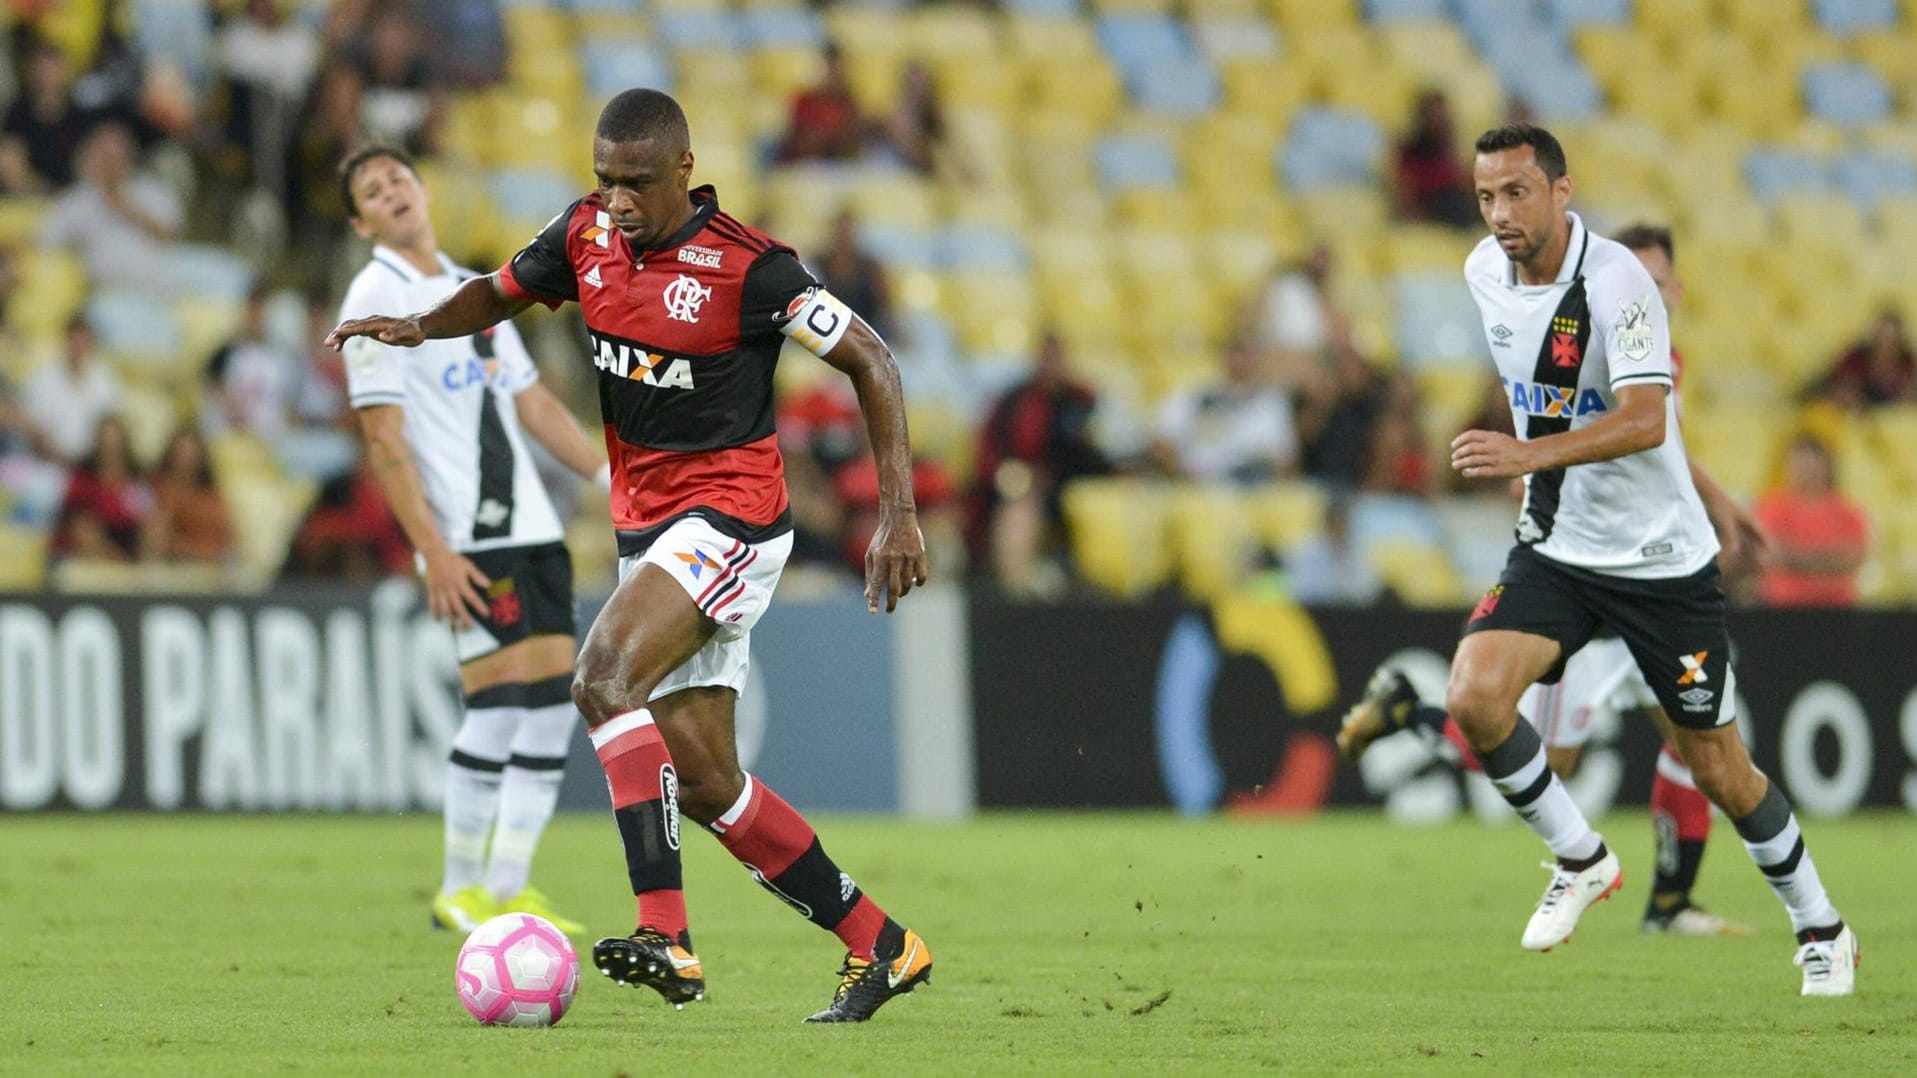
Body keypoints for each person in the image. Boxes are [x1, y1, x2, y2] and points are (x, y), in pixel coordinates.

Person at [326, 90, 933, 1024]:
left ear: (683, 170)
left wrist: (897, 512)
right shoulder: (582, 237)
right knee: (704, 782)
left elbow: (873, 361)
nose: (615, 201)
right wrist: (417, 327)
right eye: (604, 180)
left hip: (730, 516)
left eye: (636, 184)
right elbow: (497, 292)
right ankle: (882, 945)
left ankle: (668, 937)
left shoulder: (752, 268)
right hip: (647, 527)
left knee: (601, 677)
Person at [1411, 124, 1851, 994]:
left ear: (1561, 192)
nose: (1499, 214)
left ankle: (1820, 925)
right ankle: (1580, 858)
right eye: (1485, 197)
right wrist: (1531, 464)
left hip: (1658, 564)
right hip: (1560, 548)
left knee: (1720, 768)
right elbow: (1533, 384)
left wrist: (1526, 455)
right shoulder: (1478, 273)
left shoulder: (1617, 284)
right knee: (1473, 692)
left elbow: (1648, 418)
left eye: (1517, 193)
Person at [1341, 221, 1770, 937]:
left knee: (1698, 741)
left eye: (1662, 282)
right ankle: (1412, 715)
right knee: (1555, 761)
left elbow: (1664, 452)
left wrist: (1720, 506)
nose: (1655, 292)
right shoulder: (1579, 343)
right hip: (1593, 590)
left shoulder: (1661, 362)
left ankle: (1669, 904)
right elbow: (1549, 445)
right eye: (1647, 280)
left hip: (1655, 579)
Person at [334, 143, 610, 938]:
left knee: (552, 708)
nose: (390, 191)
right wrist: (433, 548)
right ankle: (458, 887)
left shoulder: (471, 292)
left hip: (534, 529)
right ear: (360, 222)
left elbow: (534, 406)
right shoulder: (372, 300)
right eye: (371, 188)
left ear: (423, 189)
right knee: (494, 708)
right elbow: (384, 442)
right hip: (469, 538)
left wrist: (609, 486)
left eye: (398, 178)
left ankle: (509, 883)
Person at [1753, 435, 1868, 608]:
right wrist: (1827, 560)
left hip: (1837, 606)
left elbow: (1853, 558)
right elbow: (1771, 553)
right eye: (1799, 462)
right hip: (1782, 605)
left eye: (1811, 462)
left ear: (1826, 466)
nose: (1805, 469)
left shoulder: (1849, 511)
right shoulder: (1771, 506)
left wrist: (1795, 558)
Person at [21, 315, 124, 465]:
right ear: (65, 342)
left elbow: (110, 429)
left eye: (84, 342)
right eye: (74, 341)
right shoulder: (42, 380)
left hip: (90, 465)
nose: (78, 348)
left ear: (92, 345)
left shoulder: (106, 383)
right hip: (49, 461)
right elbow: (33, 429)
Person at [50, 415, 148, 563]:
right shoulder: (82, 475)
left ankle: (148, 573)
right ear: (97, 443)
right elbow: (74, 518)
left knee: (155, 524)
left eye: (115, 440)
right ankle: (122, 567)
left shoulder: (136, 478)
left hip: (128, 534)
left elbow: (144, 512)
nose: (110, 446)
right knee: (84, 529)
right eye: (105, 440)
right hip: (93, 537)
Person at [142, 426, 234, 565]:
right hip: (178, 566)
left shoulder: (212, 496)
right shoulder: (160, 489)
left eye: (190, 451)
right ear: (171, 453)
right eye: (181, 451)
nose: (186, 457)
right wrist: (197, 555)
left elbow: (227, 535)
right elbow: (159, 538)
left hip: (215, 565)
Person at [1816, 310, 1915, 410]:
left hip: (1894, 418)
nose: (1887, 342)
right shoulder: (1856, 359)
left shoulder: (1908, 362)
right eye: (1883, 336)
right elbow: (1837, 389)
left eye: (1892, 338)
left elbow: (1909, 396)